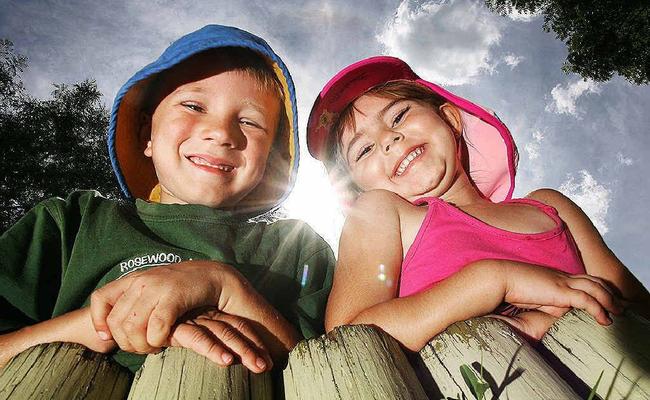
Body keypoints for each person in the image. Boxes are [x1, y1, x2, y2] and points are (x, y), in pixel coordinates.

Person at [0, 25, 334, 373]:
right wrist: (103, 324)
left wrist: (226, 286)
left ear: (269, 163)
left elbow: (337, 371)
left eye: (250, 122)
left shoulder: (296, 250)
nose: (221, 133)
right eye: (193, 105)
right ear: (147, 134)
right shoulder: (71, 222)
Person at [306, 56, 650, 351]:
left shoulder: (549, 207)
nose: (388, 140)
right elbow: (350, 340)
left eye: (398, 116)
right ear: (358, 190)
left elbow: (637, 307)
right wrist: (494, 279)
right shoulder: (383, 215)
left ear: (451, 120)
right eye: (363, 150)